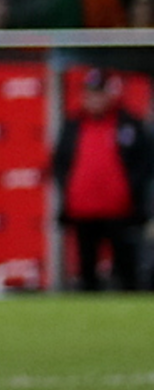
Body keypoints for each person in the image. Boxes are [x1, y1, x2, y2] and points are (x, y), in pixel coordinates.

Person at [51, 68, 149, 292]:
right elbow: (61, 163)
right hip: (83, 210)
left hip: (121, 211)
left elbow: (142, 164)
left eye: (99, 93)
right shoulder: (73, 125)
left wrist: (130, 194)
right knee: (86, 272)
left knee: (126, 270)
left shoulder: (128, 124)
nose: (94, 99)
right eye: (90, 93)